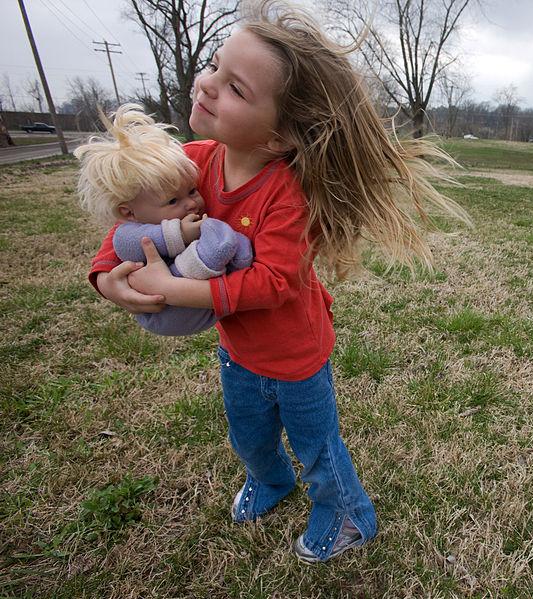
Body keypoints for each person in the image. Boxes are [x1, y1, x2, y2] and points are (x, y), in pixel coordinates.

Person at [88, 1, 469, 563]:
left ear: (279, 137)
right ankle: (269, 481)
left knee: (317, 447)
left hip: (295, 357)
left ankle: (348, 514)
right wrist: (107, 280)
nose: (209, 85)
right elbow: (134, 222)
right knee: (250, 437)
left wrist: (172, 290)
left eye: (236, 88)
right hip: (237, 351)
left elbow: (273, 284)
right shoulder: (192, 163)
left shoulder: (284, 194)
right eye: (216, 66)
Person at [76, 104, 253, 336]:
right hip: (172, 312)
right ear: (129, 213)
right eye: (172, 201)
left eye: (192, 191)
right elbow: (124, 237)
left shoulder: (180, 166)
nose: (191, 204)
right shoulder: (180, 163)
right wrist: (105, 281)